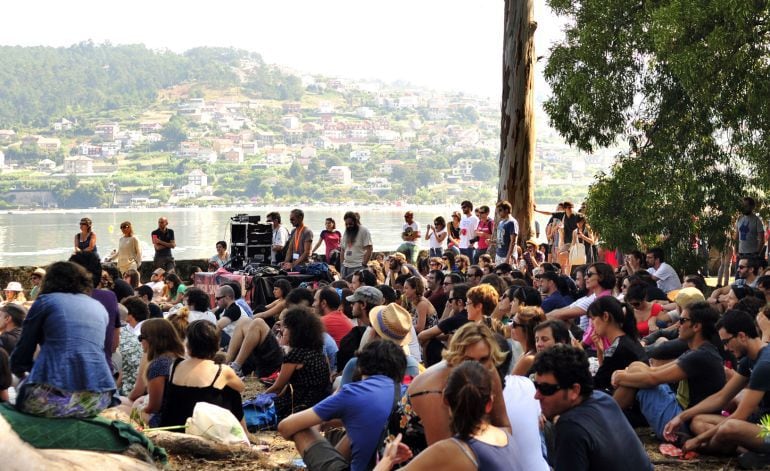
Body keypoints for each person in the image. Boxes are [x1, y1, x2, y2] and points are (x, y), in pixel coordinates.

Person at [661, 310, 770, 464]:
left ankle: (710, 448)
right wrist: (681, 416)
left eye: (726, 342)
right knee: (697, 420)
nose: (725, 348)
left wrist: (698, 440)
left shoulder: (765, 364)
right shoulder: (749, 360)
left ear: (742, 336)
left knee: (730, 427)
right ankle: (745, 449)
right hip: (761, 423)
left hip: (767, 428)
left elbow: (739, 416)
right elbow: (722, 396)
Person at [279, 340, 407, 471]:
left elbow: (285, 426)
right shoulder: (404, 393)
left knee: (301, 429)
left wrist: (326, 413)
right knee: (356, 429)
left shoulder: (354, 392)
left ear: (360, 367)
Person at [10, 261, 117, 418]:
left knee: (13, 385)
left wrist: (23, 373)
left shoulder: (45, 301)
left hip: (50, 400)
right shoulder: (98, 307)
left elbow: (21, 355)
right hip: (98, 400)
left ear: (49, 280)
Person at [611, 301, 726, 439]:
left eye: (682, 320)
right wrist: (624, 374)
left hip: (683, 425)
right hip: (681, 412)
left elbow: (652, 379)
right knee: (637, 366)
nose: (678, 324)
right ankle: (607, 417)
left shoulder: (700, 355)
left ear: (696, 326)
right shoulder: (699, 350)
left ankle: (604, 419)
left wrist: (620, 377)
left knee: (637, 374)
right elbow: (653, 372)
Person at [377, 361, 520, 471]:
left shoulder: (451, 450)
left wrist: (387, 460)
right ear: (489, 404)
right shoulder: (506, 436)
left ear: (445, 399)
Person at [533, 345, 653, 471]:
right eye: (536, 386)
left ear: (574, 390)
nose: (537, 396)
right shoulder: (602, 398)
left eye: (546, 389)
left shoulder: (570, 427)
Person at [408, 323, 511, 445]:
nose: (476, 366)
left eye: (483, 359)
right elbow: (441, 454)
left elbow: (505, 428)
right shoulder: (434, 389)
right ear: (455, 358)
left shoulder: (488, 369)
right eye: (468, 360)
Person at [160, 320, 245, 428]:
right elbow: (241, 388)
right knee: (231, 390)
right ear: (215, 344)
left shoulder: (176, 365)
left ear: (189, 344)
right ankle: (245, 432)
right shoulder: (222, 371)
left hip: (172, 426)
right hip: (203, 429)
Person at [264, 307, 331, 420]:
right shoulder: (320, 353)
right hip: (318, 406)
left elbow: (278, 388)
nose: (282, 331)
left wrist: (258, 399)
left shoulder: (295, 355)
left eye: (285, 328)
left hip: (298, 407)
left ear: (295, 331)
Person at [586, 296, 646, 394]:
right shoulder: (628, 339)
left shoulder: (618, 349)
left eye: (593, 319)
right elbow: (606, 374)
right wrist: (600, 352)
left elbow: (595, 385)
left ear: (605, 316)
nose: (592, 325)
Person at [135, 318, 185, 426]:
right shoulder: (179, 358)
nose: (140, 341)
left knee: (123, 410)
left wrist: (138, 409)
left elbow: (154, 407)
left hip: (164, 422)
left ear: (151, 340)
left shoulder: (159, 364)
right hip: (179, 417)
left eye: (141, 337)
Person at [510, 306, 547, 376]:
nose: (511, 326)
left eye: (514, 324)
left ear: (527, 330)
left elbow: (510, 385)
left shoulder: (528, 359)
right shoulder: (527, 354)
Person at [340, 211, 374, 279]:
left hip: (358, 267)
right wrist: (342, 265)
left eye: (350, 224)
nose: (348, 226)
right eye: (346, 224)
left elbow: (369, 249)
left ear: (355, 222)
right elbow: (343, 250)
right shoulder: (346, 232)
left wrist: (363, 264)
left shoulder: (364, 231)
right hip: (345, 267)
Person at [736, 196, 766, 262]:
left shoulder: (757, 220)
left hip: (752, 254)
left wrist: (757, 253)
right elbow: (737, 236)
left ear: (752, 207)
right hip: (740, 254)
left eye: (746, 206)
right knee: (738, 272)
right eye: (743, 206)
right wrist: (736, 251)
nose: (744, 208)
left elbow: (762, 240)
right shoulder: (739, 219)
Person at [494, 200, 519, 265]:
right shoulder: (501, 222)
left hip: (507, 256)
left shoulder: (512, 222)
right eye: (498, 210)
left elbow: (513, 241)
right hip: (499, 254)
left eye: (500, 210)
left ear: (507, 210)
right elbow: (501, 240)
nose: (498, 212)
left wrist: (508, 257)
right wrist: (492, 242)